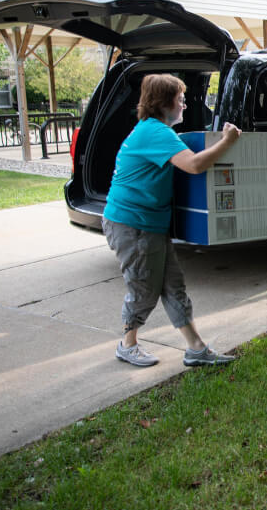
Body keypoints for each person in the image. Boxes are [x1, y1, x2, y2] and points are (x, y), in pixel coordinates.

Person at [103, 74, 241, 367]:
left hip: (147, 224)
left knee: (172, 285)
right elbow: (194, 165)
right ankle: (127, 345)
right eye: (180, 100)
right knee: (144, 288)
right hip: (133, 225)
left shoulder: (155, 131)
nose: (185, 105)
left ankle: (196, 348)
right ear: (164, 103)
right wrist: (228, 141)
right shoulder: (155, 132)